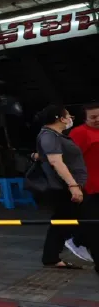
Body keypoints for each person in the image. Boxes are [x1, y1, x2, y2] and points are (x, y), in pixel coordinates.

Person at [35, 105, 88, 269]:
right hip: (64, 186)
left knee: (64, 221)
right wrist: (73, 185)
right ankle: (59, 252)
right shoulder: (49, 135)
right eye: (68, 116)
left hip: (70, 185)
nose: (71, 118)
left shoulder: (56, 136)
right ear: (60, 118)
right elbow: (56, 161)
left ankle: (52, 255)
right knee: (64, 220)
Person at [67, 102, 99, 269]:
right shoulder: (79, 133)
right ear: (85, 118)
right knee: (93, 223)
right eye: (93, 117)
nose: (97, 119)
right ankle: (78, 241)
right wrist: (74, 184)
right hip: (89, 184)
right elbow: (70, 160)